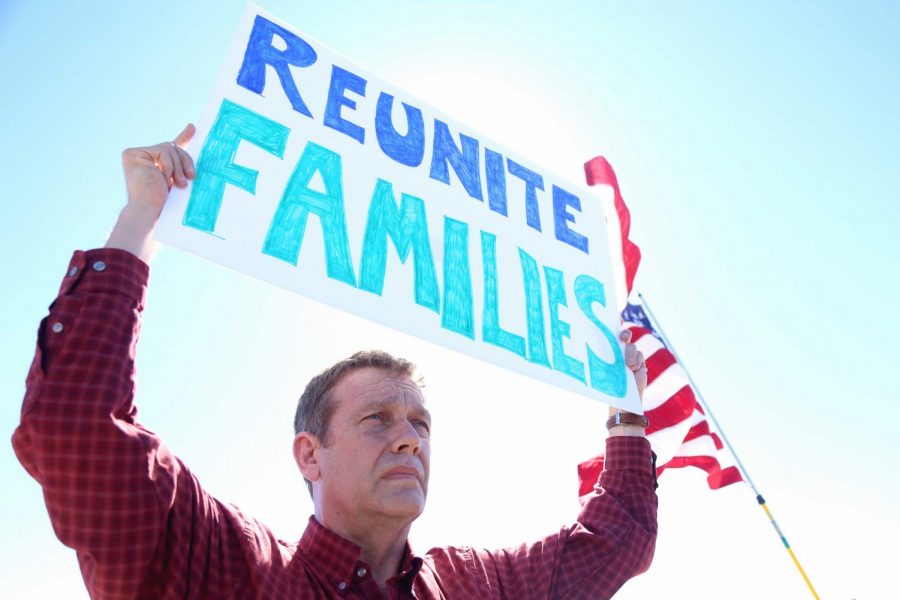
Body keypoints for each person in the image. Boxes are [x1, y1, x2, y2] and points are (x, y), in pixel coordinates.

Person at [12, 125, 658, 599]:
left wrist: (627, 412)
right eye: (378, 418)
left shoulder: (475, 584)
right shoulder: (221, 566)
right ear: (309, 455)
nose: (409, 439)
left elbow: (616, 541)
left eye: (420, 424)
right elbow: (76, 428)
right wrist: (143, 215)